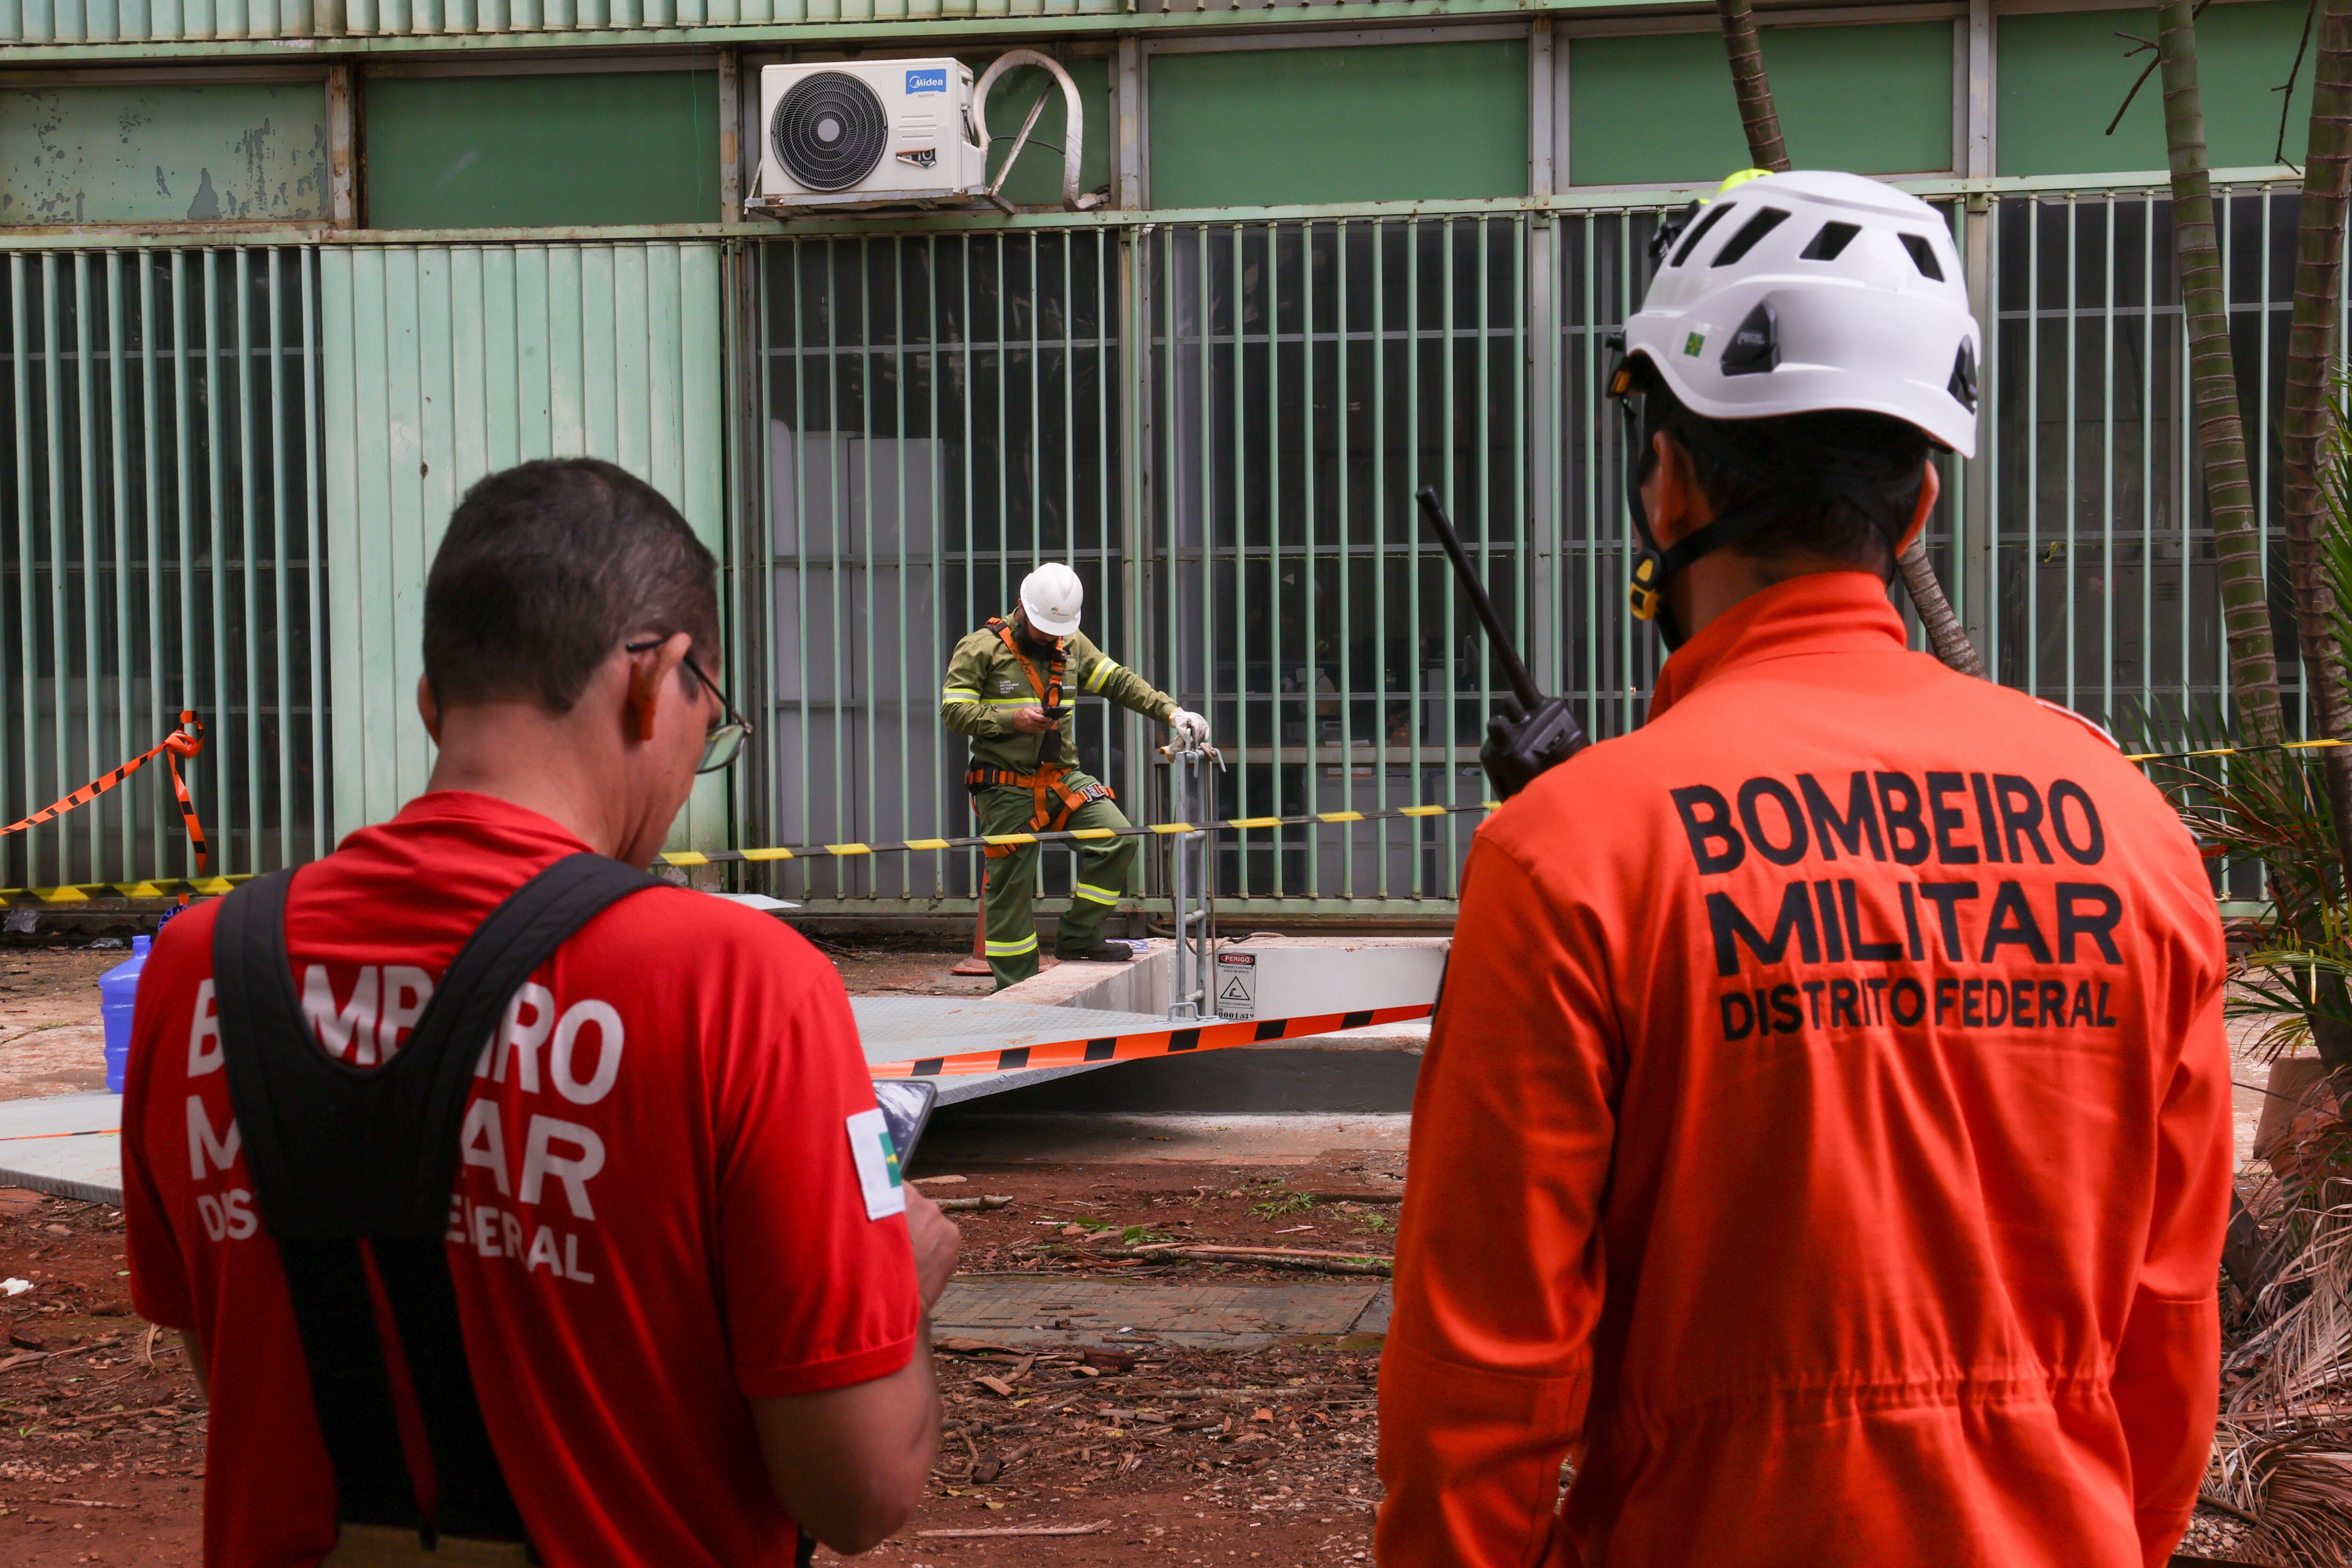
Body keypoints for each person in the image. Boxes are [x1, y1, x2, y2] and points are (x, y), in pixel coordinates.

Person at [1376, 170, 2231, 1568]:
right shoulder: (2129, 829)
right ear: (1915, 510)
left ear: (1668, 481)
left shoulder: (1569, 854)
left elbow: (1480, 1380)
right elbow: (2163, 1331)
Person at [122, 457, 962, 1567]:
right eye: (707, 718)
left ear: (434, 702)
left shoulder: (198, 972)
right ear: (655, 681)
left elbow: (238, 1358)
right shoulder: (738, 983)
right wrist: (889, 1291)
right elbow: (857, 1493)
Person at [941, 563, 1210, 989]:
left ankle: (1079, 934)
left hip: (1062, 777)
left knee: (1117, 836)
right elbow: (954, 711)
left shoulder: (1072, 644)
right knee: (1011, 886)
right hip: (1005, 782)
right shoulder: (979, 649)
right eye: (1044, 628)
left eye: (1057, 630)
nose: (1051, 637)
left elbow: (1118, 681)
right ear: (1022, 608)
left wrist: (1172, 712)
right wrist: (1013, 719)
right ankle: (1018, 988)